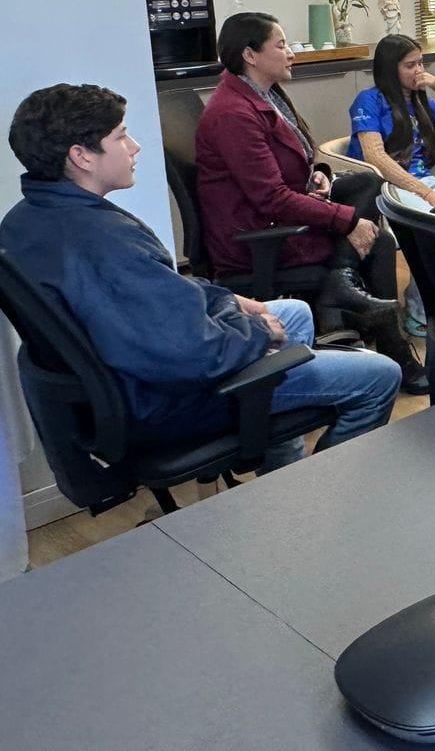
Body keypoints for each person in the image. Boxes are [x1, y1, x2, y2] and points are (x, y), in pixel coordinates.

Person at [0, 84, 400, 473]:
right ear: (81, 156)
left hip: (122, 383)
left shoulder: (24, 222)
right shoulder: (103, 240)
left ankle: (279, 465)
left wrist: (228, 303)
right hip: (166, 401)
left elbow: (148, 295)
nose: (135, 146)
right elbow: (187, 353)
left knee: (294, 312)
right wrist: (257, 333)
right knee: (379, 377)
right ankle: (308, 497)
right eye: (121, 137)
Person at [195, 12, 426, 394]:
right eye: (281, 45)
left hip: (281, 211)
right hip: (261, 236)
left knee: (366, 182)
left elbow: (291, 159)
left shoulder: (262, 94)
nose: (291, 54)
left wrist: (317, 172)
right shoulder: (233, 114)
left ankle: (341, 289)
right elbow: (269, 198)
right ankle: (390, 346)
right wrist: (349, 221)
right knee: (378, 240)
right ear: (250, 55)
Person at [347, 34, 435, 210]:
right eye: (410, 65)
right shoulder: (369, 100)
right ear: (391, 70)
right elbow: (375, 156)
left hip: (425, 180)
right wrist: (425, 192)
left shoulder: (421, 102)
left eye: (420, 63)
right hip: (388, 185)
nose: (419, 70)